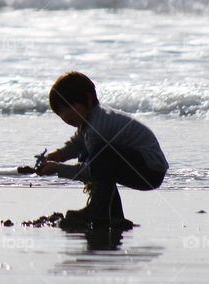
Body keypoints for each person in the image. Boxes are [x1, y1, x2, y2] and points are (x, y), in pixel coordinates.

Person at [36, 71, 168, 228]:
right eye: (60, 112)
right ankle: (113, 216)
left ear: (89, 99)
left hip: (149, 170)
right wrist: (59, 155)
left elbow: (91, 169)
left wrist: (58, 168)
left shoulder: (97, 127)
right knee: (93, 156)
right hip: (139, 165)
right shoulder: (90, 120)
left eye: (68, 107)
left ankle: (98, 210)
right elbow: (77, 142)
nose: (65, 116)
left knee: (100, 157)